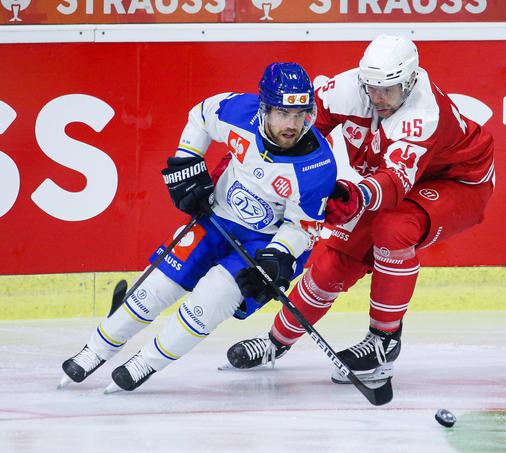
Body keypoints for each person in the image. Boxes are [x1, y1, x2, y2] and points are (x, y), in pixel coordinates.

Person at [227, 35, 495, 384]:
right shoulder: (348, 89)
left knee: (394, 228)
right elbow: (301, 130)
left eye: (389, 90)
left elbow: (395, 182)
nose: (378, 98)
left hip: (458, 183)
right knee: (334, 259)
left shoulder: (423, 114)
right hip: (391, 184)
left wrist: (356, 195)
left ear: (411, 81)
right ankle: (276, 341)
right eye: (371, 87)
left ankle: (384, 341)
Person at [58, 62, 337, 392]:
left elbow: (302, 228)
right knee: (160, 285)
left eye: (300, 113)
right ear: (264, 107)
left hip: (262, 243)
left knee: (211, 298)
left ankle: (146, 362)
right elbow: (201, 116)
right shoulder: (238, 111)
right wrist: (189, 160)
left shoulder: (318, 166)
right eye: (282, 113)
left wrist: (277, 257)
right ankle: (96, 350)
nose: (292, 124)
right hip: (216, 218)